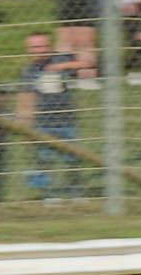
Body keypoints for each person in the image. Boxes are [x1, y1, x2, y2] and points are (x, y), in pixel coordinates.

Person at [17, 31, 91, 200]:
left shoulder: (61, 59)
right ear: (28, 50)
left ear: (49, 46)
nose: (39, 50)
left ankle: (76, 191)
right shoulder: (29, 70)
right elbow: (27, 96)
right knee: (45, 160)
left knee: (73, 159)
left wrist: (62, 67)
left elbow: (87, 63)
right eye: (35, 47)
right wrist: (26, 122)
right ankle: (50, 194)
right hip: (43, 123)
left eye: (43, 46)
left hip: (66, 121)